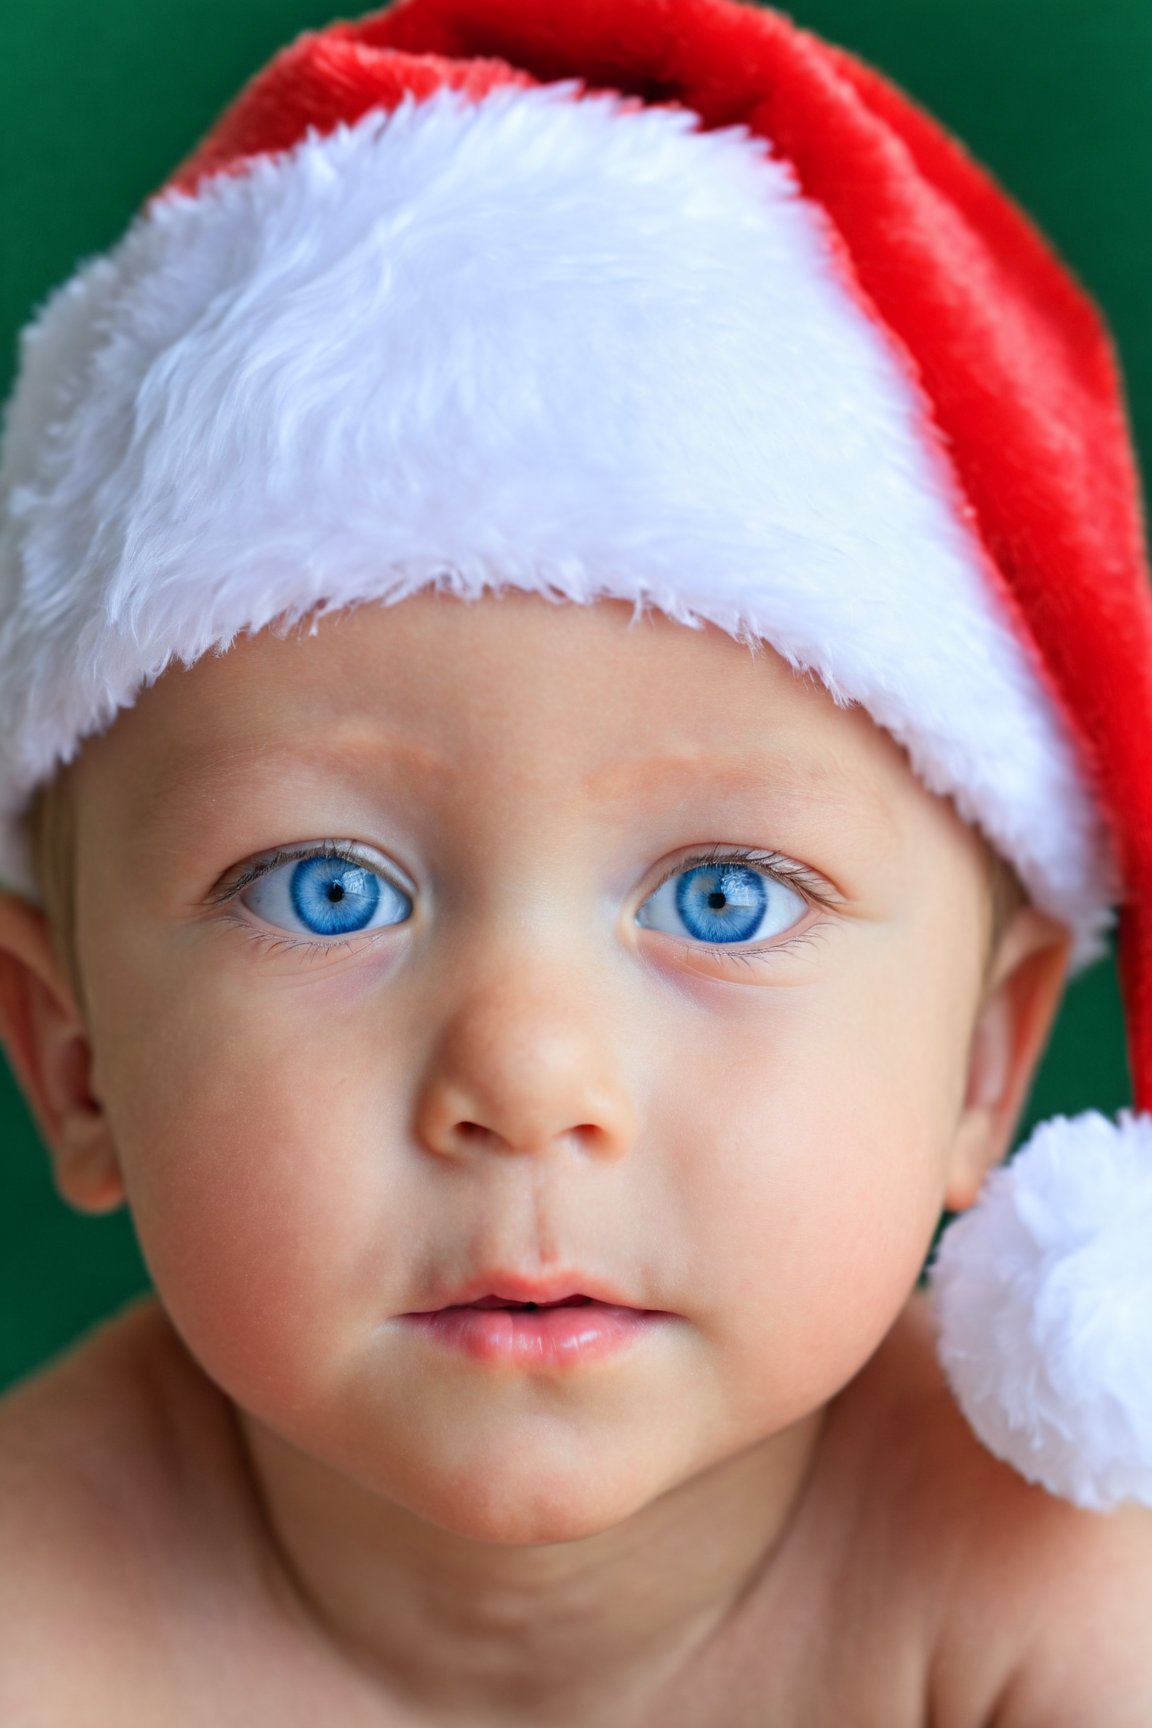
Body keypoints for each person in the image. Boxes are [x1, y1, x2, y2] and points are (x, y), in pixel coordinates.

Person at [0, 0, 1150, 1719]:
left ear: (984, 1066)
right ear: (75, 1060)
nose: (528, 1078)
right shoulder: (41, 1620)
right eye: (331, 889)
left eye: (723, 897)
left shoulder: (1049, 1588)